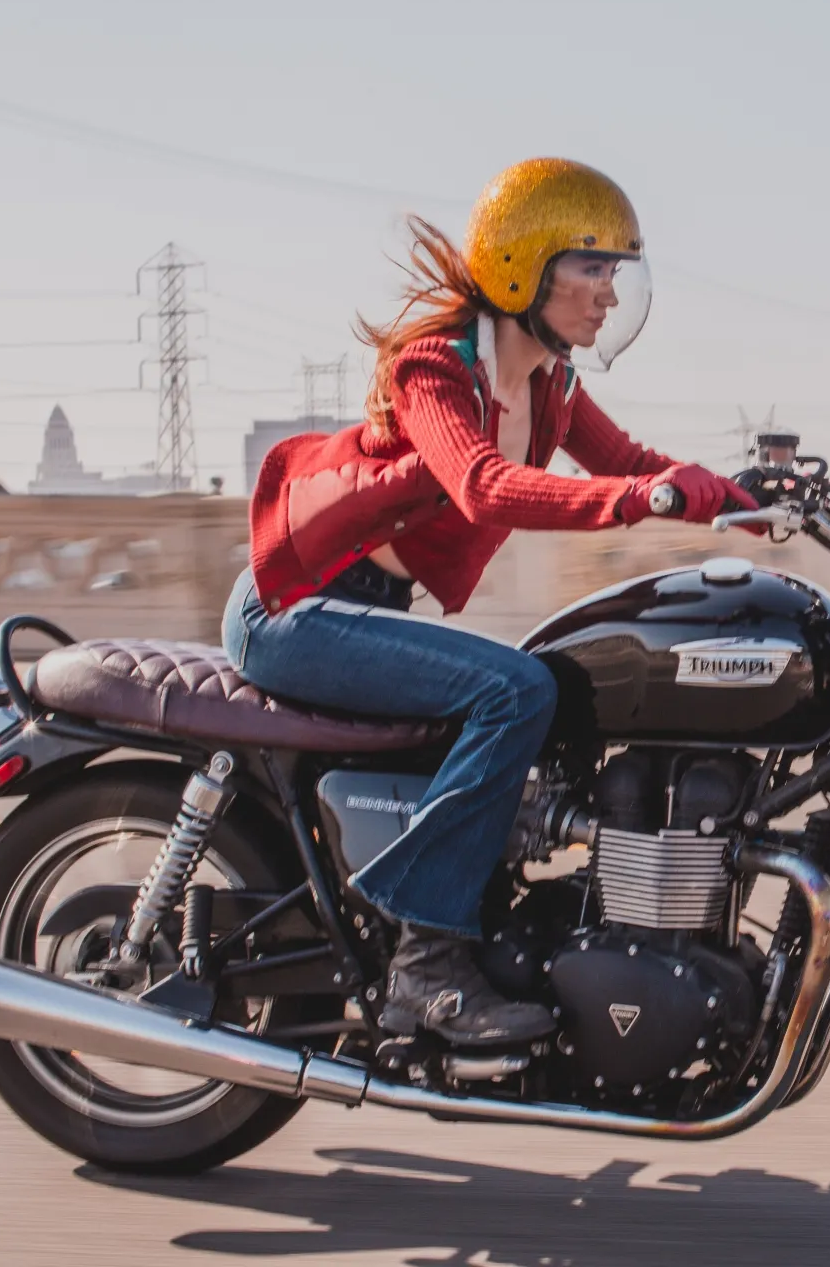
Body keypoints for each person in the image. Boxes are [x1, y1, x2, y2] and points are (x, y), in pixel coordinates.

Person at [227, 158, 754, 1046]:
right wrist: (642, 502)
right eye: (592, 271)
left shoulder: (550, 386)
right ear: (525, 267)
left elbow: (627, 460)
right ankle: (426, 969)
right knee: (516, 690)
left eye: (615, 276)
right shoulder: (436, 370)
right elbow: (480, 485)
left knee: (555, 692)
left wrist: (748, 500)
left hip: (372, 613)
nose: (608, 298)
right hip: (297, 611)